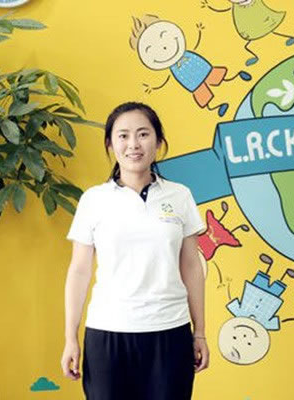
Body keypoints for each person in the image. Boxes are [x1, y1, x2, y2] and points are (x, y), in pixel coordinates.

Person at [60, 102, 209, 399]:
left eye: (143, 134)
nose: (133, 144)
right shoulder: (94, 200)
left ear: (158, 141)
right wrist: (70, 338)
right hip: (107, 333)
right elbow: (79, 270)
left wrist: (200, 332)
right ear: (110, 144)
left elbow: (191, 266)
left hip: (170, 331)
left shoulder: (179, 196)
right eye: (123, 136)